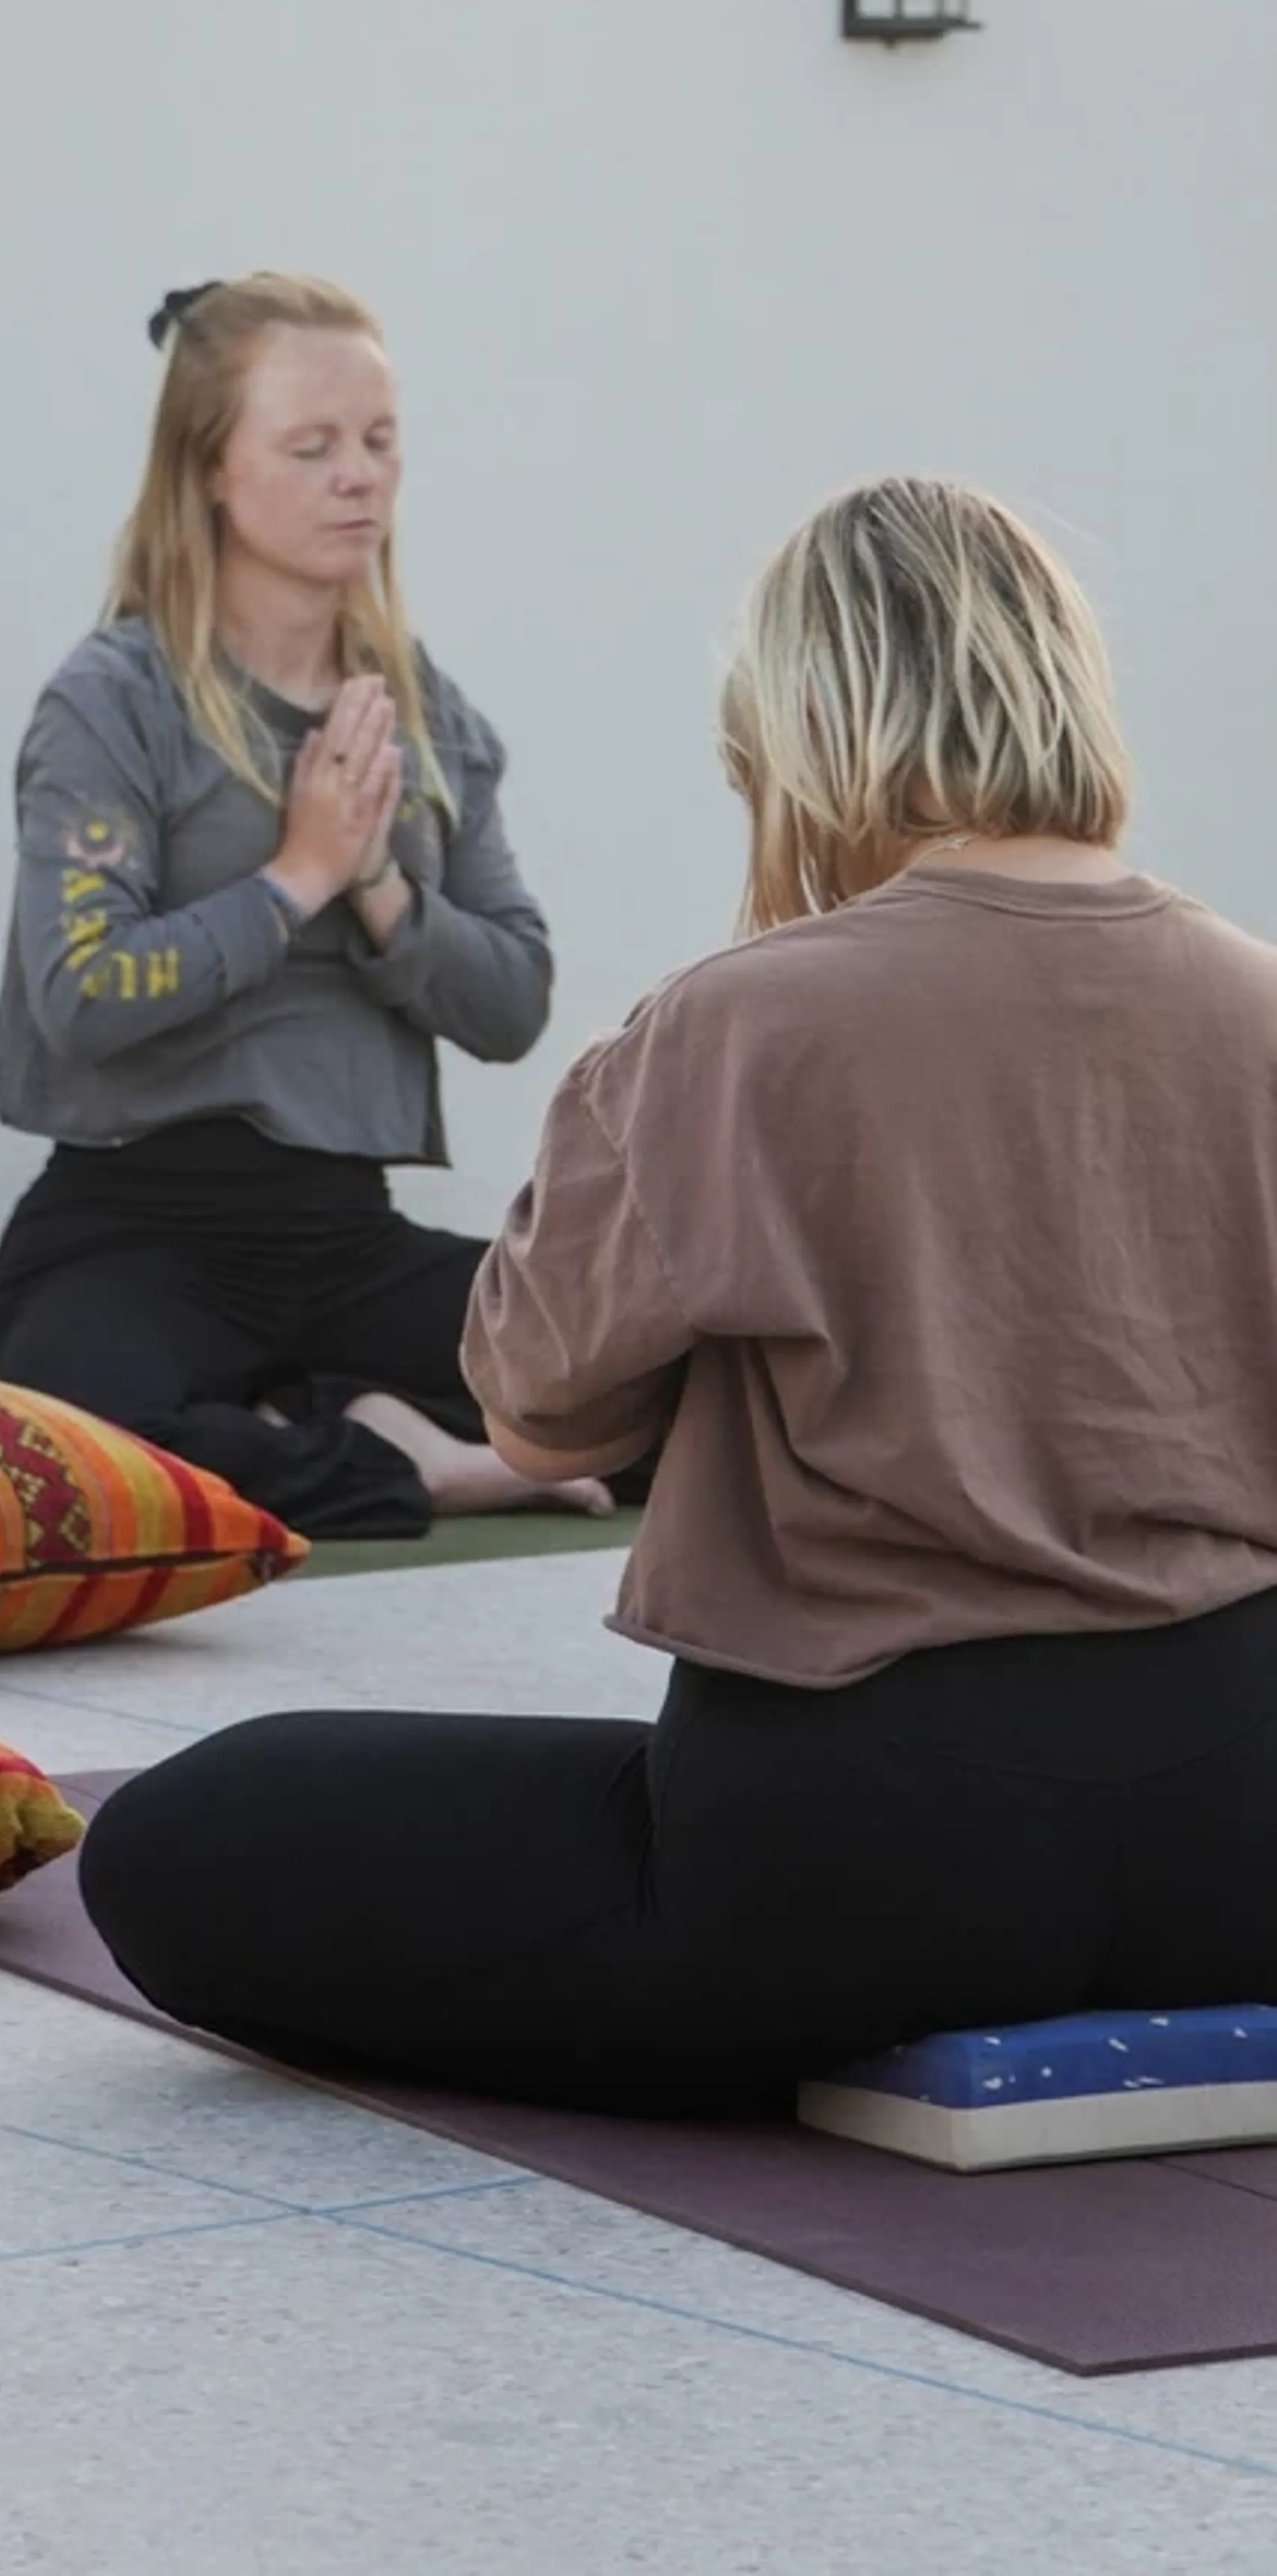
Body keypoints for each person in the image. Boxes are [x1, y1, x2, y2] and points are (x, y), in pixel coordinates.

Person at [80, 476, 1277, 2115]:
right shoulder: (1257, 997)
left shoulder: (734, 1021)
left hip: (863, 1865)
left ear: (798, 732)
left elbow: (537, 1404)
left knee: (182, 1838)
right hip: (1246, 1834)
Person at [0, 270, 618, 1543]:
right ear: (209, 468)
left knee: (674, 1382)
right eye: (313, 447)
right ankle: (407, 1461)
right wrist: (299, 876)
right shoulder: (115, 703)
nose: (359, 479)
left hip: (344, 1238)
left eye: (380, 443)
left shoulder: (420, 715)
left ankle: (329, 1412)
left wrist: (380, 887)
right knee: (85, 1464)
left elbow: (514, 1002)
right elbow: (82, 995)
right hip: (129, 1230)